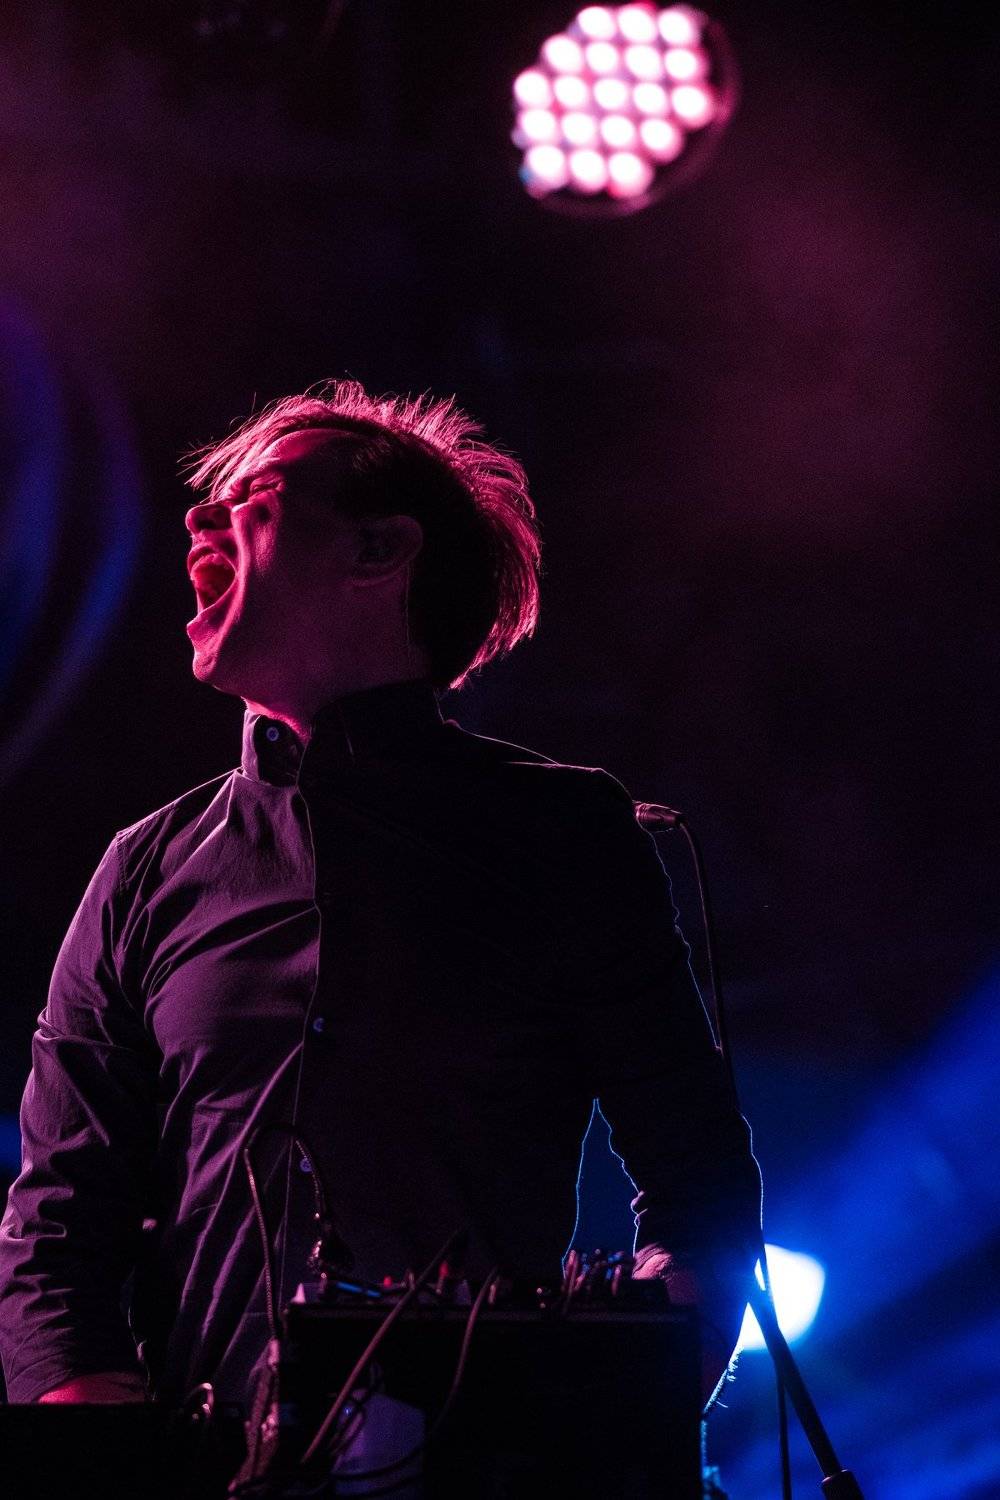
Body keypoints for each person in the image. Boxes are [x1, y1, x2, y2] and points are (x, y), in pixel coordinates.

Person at [0, 382, 760, 1429]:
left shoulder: (563, 835)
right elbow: (57, 1221)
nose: (200, 516)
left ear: (380, 551)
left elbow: (698, 1177)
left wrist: (614, 1414)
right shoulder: (144, 869)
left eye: (255, 496)